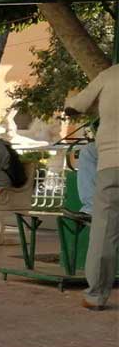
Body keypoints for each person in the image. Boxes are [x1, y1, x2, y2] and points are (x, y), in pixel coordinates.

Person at [65, 64, 119, 311]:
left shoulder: (110, 74)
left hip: (112, 164)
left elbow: (75, 105)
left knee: (104, 229)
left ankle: (96, 295)